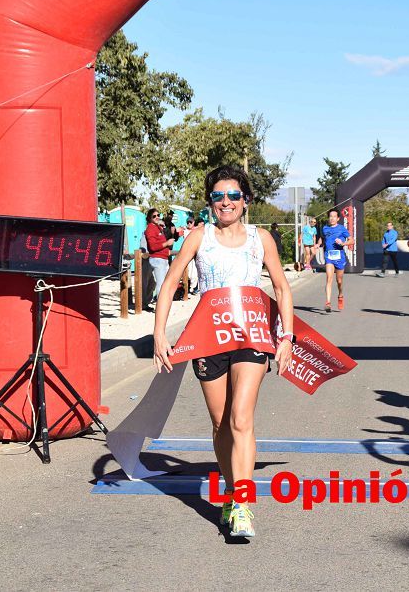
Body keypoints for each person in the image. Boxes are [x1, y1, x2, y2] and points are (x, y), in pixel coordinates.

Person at [152, 164, 294, 538]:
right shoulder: (199, 238)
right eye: (218, 196)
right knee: (220, 424)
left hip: (250, 336)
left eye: (233, 195)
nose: (226, 202)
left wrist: (287, 336)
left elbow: (281, 288)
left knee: (241, 418)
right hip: (208, 338)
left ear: (245, 201)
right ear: (210, 202)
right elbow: (168, 285)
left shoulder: (260, 239)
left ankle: (243, 505)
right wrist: (159, 335)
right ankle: (231, 493)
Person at [314, 208, 349, 312]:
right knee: (329, 278)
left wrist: (343, 243)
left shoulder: (342, 229)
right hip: (329, 257)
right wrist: (318, 244)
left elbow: (352, 240)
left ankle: (340, 295)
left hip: (339, 257)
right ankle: (328, 302)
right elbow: (322, 238)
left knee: (339, 281)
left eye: (334, 216)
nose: (332, 218)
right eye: (330, 216)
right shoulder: (325, 228)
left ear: (338, 218)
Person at [143, 208, 172, 305]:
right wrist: (167, 243)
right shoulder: (150, 229)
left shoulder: (157, 228)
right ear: (149, 218)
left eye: (158, 215)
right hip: (157, 259)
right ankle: (160, 306)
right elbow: (153, 246)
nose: (157, 217)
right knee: (161, 284)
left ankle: (161, 304)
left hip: (162, 259)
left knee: (162, 284)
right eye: (154, 216)